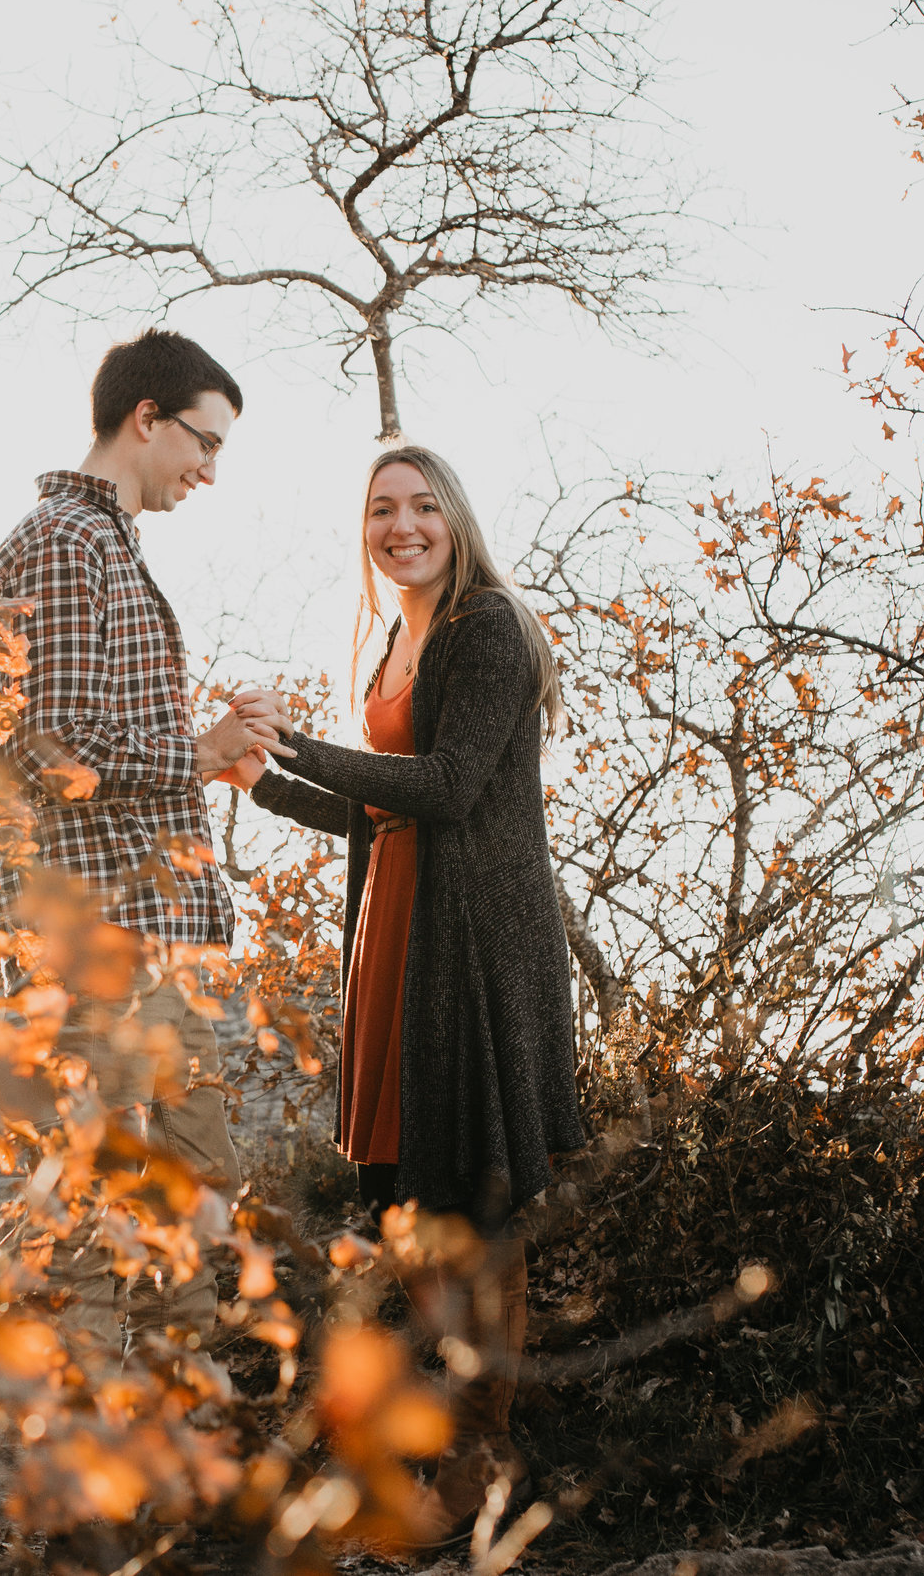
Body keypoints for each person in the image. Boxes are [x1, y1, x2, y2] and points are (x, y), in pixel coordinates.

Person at [232, 443, 586, 1528]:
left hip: (473, 948)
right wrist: (268, 780)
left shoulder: (486, 629)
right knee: (416, 1205)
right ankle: (441, 1449)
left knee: (473, 1200)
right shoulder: (396, 635)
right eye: (382, 508)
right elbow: (383, 816)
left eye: (423, 505)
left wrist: (296, 734)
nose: (402, 524)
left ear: (456, 517)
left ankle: (484, 1463)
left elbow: (443, 787)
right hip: (399, 942)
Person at [0, 327, 278, 1363]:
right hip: (93, 943)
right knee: (98, 1226)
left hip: (151, 943)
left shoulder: (108, 548)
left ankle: (176, 1458)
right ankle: (94, 1497)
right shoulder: (63, 542)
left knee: (191, 1197)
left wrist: (218, 752)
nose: (210, 468)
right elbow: (50, 745)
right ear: (144, 418)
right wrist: (194, 753)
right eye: (205, 439)